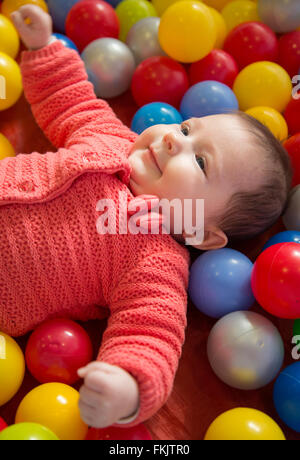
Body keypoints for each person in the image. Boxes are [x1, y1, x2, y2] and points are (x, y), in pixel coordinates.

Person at [4, 5, 292, 430]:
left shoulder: (155, 263)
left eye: (201, 164)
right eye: (189, 129)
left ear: (202, 232)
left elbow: (149, 335)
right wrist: (44, 47)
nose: (175, 141)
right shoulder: (113, 136)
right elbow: (71, 101)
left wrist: (127, 387)